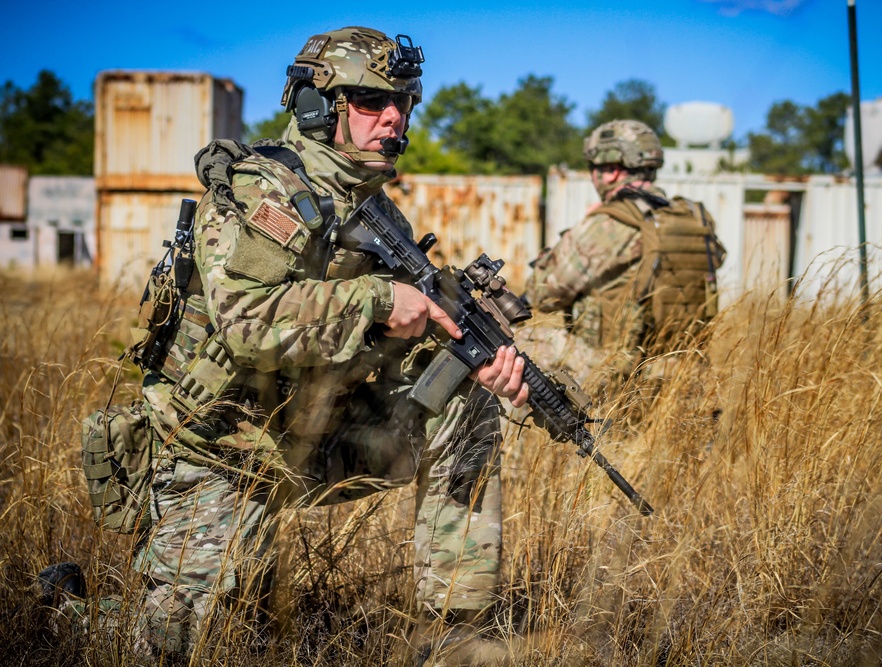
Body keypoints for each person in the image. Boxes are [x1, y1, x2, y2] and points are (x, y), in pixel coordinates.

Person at [42, 26, 527, 663]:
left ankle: (457, 631)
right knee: (188, 643)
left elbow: (389, 352)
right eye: (369, 100)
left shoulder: (377, 215)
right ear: (317, 106)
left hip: (309, 438)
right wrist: (380, 301)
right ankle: (68, 609)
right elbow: (246, 323)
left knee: (465, 402)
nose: (393, 117)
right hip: (216, 449)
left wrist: (468, 358)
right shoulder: (264, 192)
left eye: (403, 102)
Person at [521, 119, 726, 387]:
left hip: (618, 370)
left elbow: (543, 296)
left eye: (594, 168)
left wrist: (577, 233)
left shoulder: (609, 222)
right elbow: (717, 259)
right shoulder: (694, 217)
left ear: (612, 171)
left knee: (516, 344)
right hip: (685, 368)